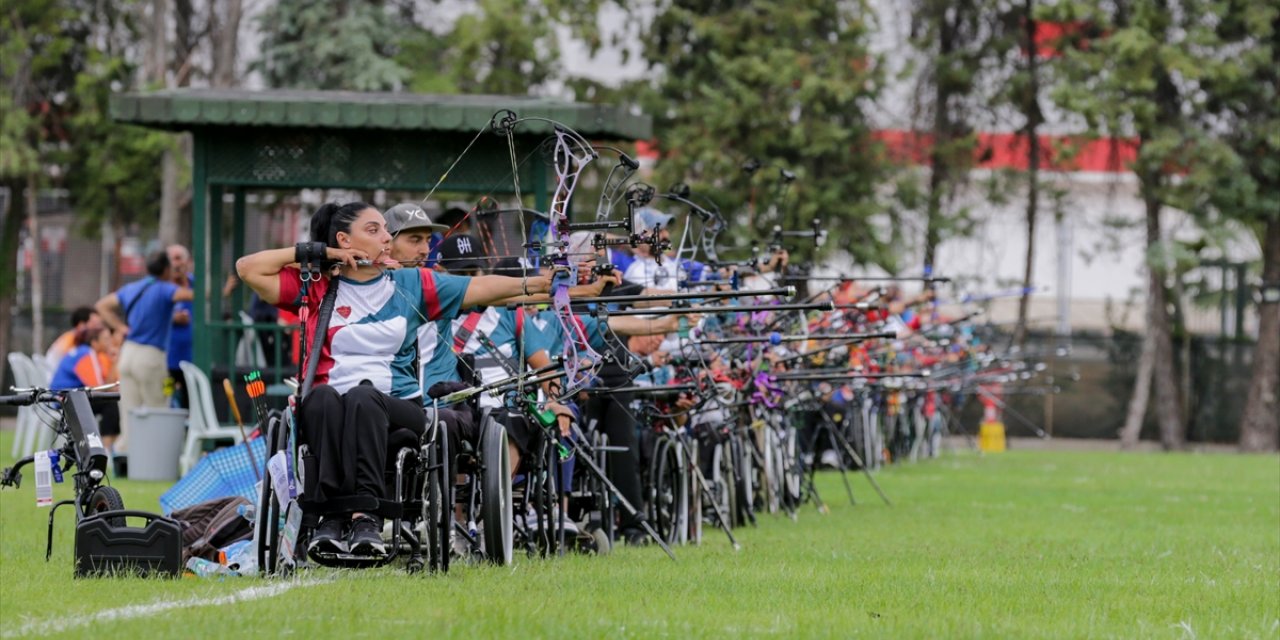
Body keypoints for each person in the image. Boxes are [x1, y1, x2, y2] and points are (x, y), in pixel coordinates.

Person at [236, 201, 560, 558]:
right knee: (322, 397)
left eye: (385, 230)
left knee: (362, 397)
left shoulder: (411, 283)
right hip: (330, 409)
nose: (386, 238)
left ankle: (365, 518)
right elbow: (248, 268)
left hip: (399, 409)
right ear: (344, 240)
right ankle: (327, 518)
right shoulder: (316, 287)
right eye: (373, 231)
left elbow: (482, 289)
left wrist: (542, 284)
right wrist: (321, 254)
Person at [95, 251, 194, 452]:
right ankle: (156, 456)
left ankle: (127, 456)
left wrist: (121, 327)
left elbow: (102, 306)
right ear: (166, 269)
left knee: (129, 411)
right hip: (151, 357)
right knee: (157, 407)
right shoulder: (165, 289)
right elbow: (193, 295)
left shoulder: (133, 287)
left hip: (128, 354)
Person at [49, 326, 121, 450]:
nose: (110, 342)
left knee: (111, 401)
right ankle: (105, 448)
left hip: (67, 398)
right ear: (94, 342)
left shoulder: (87, 352)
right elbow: (97, 389)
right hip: (65, 401)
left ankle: (110, 448)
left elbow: (104, 385)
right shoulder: (86, 354)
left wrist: (113, 362)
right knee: (111, 405)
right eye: (106, 339)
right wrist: (114, 390)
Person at [166, 244, 194, 409]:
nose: (175, 264)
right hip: (167, 361)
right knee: (166, 397)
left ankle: (189, 432)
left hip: (192, 358)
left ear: (187, 261)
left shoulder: (196, 284)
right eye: (171, 259)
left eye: (178, 258)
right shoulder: (163, 288)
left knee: (190, 401)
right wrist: (172, 318)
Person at [44, 307, 104, 373]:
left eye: (100, 324)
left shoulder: (72, 338)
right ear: (81, 325)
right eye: (94, 323)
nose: (99, 328)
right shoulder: (71, 342)